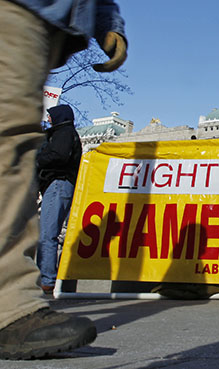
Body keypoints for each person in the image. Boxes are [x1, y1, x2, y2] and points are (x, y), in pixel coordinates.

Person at [0, 0, 127, 360]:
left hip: (47, 22)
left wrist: (104, 18)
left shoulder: (63, 136)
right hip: (26, 12)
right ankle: (8, 305)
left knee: (13, 139)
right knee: (9, 137)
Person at [36, 105, 82, 294]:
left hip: (58, 183)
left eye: (50, 115)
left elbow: (58, 156)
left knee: (48, 233)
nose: (48, 118)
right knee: (50, 233)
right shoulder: (65, 133)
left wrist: (38, 158)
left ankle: (46, 279)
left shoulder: (63, 133)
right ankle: (47, 277)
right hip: (59, 184)